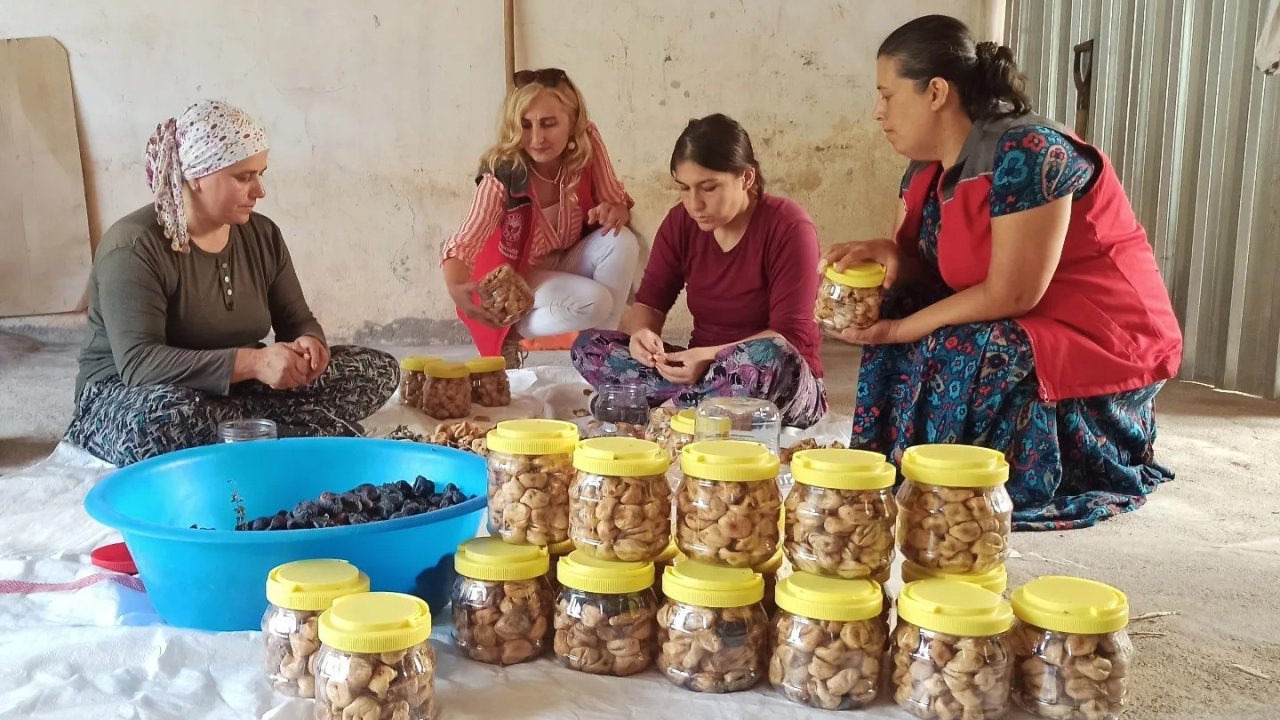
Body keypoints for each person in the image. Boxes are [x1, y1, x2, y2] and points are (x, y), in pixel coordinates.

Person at [826, 15, 1183, 529]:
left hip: (1104, 334)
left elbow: (1012, 292)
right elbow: (943, 274)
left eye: (887, 94)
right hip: (1023, 315)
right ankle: (908, 463)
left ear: (936, 92)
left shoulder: (1030, 153)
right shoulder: (927, 167)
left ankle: (980, 484)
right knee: (898, 307)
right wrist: (895, 260)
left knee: (974, 344)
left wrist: (903, 329)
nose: (878, 112)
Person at [66, 100, 399, 467]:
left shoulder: (262, 234)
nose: (259, 191)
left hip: (234, 390)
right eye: (244, 177)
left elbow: (296, 317)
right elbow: (140, 363)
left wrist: (309, 345)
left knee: (375, 371)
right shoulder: (133, 246)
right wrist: (255, 363)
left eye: (261, 174)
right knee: (158, 422)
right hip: (131, 393)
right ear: (197, 176)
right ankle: (283, 431)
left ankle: (245, 430)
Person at [572, 114, 827, 428]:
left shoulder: (788, 227)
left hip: (777, 381)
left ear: (746, 178)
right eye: (684, 188)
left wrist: (710, 355)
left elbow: (790, 339)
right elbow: (650, 305)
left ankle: (660, 414)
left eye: (708, 188)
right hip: (702, 373)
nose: (695, 204)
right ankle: (690, 408)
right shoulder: (681, 222)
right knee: (588, 347)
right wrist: (643, 336)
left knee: (770, 356)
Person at [440, 68, 638, 367]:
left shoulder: (586, 149)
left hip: (567, 260)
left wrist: (615, 211)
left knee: (622, 240)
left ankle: (602, 355)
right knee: (596, 301)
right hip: (518, 279)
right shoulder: (503, 175)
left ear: (572, 122)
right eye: (526, 125)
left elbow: (617, 201)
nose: (536, 138)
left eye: (548, 124)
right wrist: (456, 287)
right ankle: (512, 331)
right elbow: (464, 240)